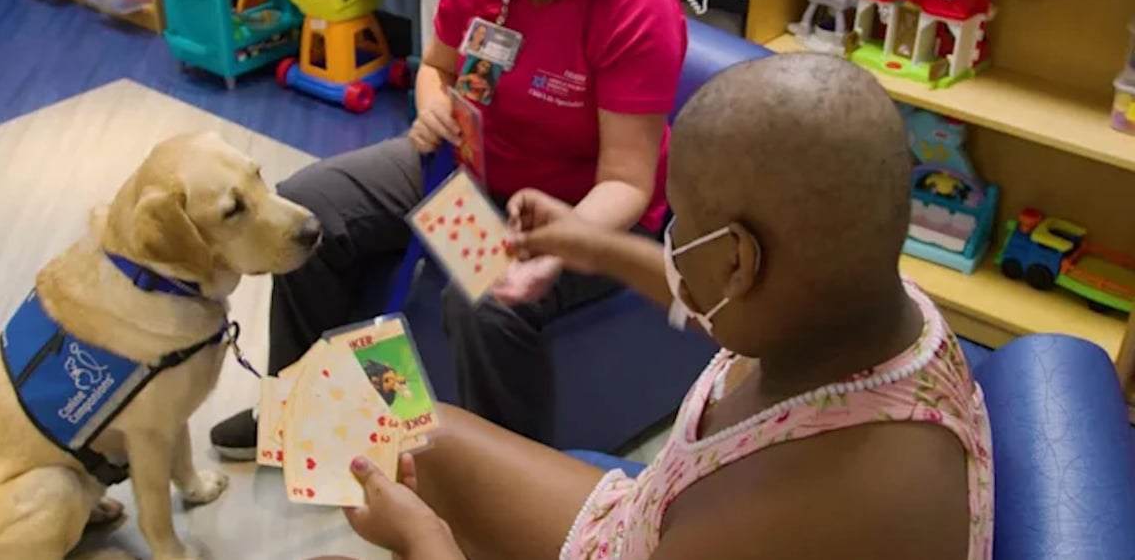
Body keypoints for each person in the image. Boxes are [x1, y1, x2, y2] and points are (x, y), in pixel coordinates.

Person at [324, 54, 994, 560]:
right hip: (640, 516)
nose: (668, 240)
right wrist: (594, 244)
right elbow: (719, 301)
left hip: (647, 535)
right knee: (410, 423)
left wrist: (425, 541)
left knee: (411, 474)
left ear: (737, 260)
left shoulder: (807, 508)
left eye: (679, 226)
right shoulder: (860, 298)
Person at [210, 0, 686, 456]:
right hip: (468, 164)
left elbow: (627, 182)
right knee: (306, 210)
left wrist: (557, 246)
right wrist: (433, 106)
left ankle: (506, 484)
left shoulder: (637, 4)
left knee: (485, 299)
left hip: (582, 212)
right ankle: (302, 410)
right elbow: (436, 67)